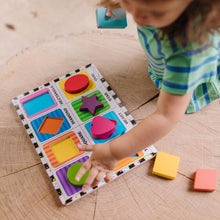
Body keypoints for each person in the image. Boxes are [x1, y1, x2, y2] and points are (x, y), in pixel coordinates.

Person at [75, 0, 220, 193]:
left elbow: (166, 116)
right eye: (129, 1)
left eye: (156, 13)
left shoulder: (189, 52)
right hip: (164, 57)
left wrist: (113, 151)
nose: (136, 16)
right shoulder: (153, 10)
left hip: (192, 82)